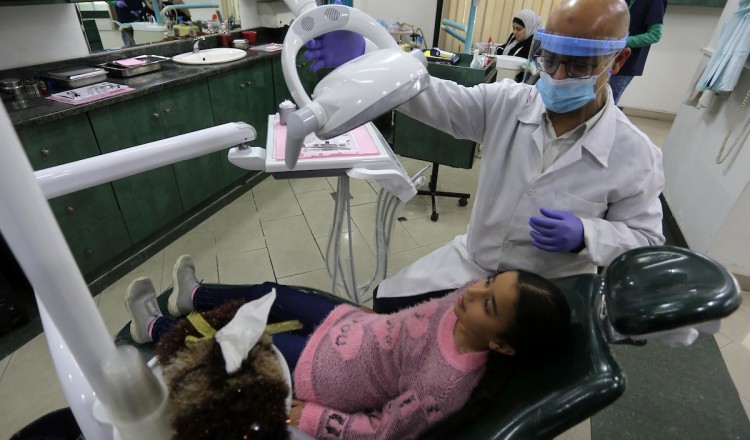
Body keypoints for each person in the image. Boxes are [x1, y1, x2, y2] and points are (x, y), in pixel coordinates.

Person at [305, 0, 665, 315]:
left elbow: (646, 243)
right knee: (387, 302)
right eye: (551, 59)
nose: (557, 76)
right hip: (474, 264)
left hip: (549, 290)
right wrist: (367, 56)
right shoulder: (509, 103)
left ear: (618, 60)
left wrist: (587, 235)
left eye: (579, 66)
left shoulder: (636, 155)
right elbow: (434, 97)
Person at [126, 255, 571, 439]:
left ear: (501, 344)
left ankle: (154, 326)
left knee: (230, 342)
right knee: (267, 292)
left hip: (324, 376)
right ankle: (193, 296)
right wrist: (370, 318)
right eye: (490, 281)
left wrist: (311, 417)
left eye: (488, 303)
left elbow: (381, 432)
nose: (473, 291)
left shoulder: (444, 386)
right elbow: (413, 322)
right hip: (349, 326)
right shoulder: (467, 300)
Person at [609, 0, 668, 104]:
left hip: (625, 63)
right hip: (603, 57)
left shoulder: (655, 2)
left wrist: (620, 42)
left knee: (608, 103)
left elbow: (654, 35)